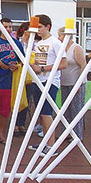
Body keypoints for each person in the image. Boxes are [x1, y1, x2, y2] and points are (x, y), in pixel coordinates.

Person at [28, 14, 67, 156]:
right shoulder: (39, 43)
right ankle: (45, 142)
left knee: (46, 113)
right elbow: (40, 61)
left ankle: (51, 145)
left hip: (50, 82)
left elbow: (64, 63)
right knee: (41, 113)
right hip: (38, 81)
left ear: (47, 27)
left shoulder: (55, 42)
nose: (38, 30)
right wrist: (35, 66)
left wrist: (44, 68)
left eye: (40, 27)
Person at [0, 17, 24, 143]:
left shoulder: (17, 43)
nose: (8, 29)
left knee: (5, 110)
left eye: (10, 27)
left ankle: (0, 133)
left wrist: (16, 66)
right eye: (5, 27)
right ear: (0, 27)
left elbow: (22, 61)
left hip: (9, 82)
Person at [57, 27, 87, 141]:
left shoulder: (76, 48)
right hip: (65, 82)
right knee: (66, 109)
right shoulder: (61, 48)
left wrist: (79, 83)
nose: (58, 38)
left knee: (76, 109)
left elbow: (83, 65)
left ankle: (77, 135)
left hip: (75, 83)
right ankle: (66, 132)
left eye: (60, 35)